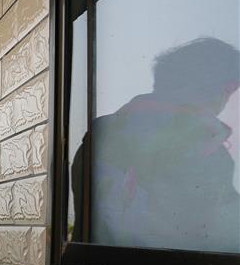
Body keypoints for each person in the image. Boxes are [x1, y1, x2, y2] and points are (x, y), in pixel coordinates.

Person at [70, 37, 240, 252]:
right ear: (216, 89)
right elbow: (213, 237)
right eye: (230, 90)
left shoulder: (102, 134)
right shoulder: (204, 151)